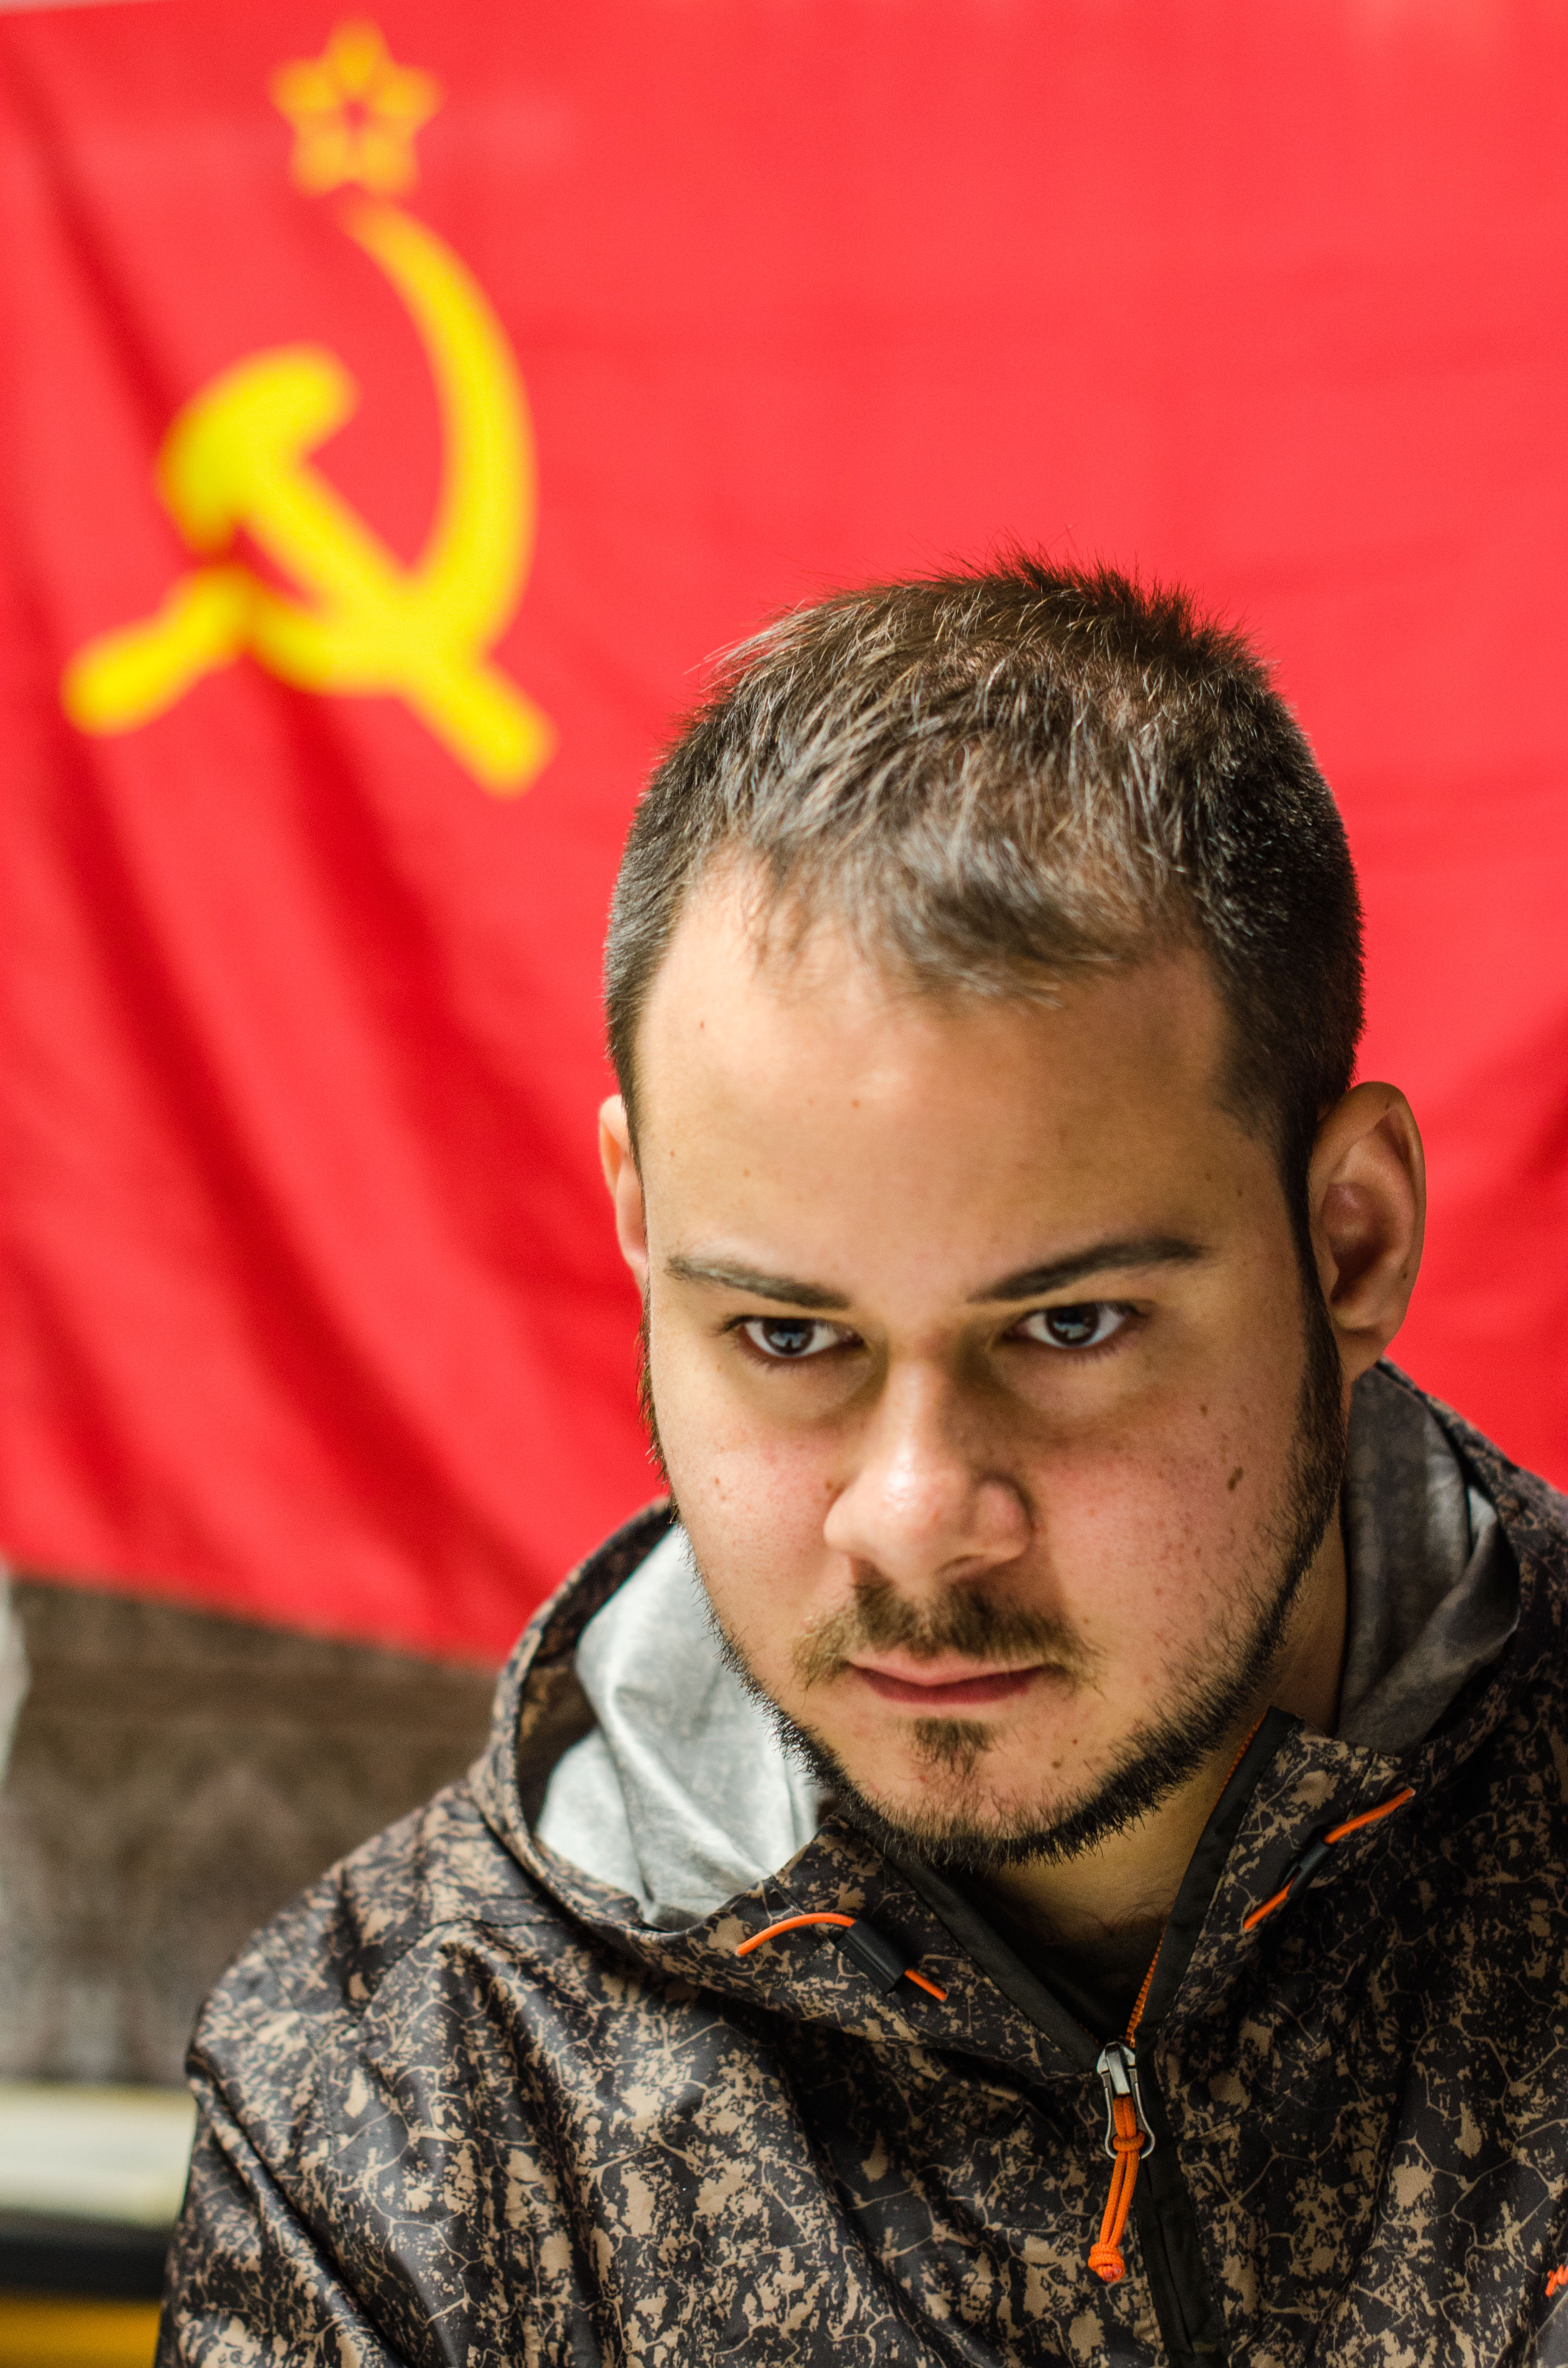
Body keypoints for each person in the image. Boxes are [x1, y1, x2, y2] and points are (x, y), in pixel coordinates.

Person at [159, 563, 1568, 2368]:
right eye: (786, 1337)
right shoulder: (396, 2113)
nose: (911, 1519)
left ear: (1351, 1241)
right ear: (643, 1233)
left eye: (1068, 1328)